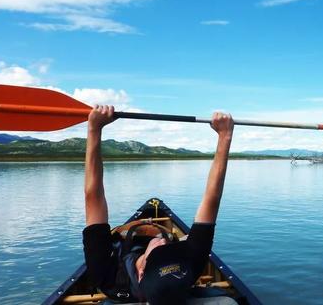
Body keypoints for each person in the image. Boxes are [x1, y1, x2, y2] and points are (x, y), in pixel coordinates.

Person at [82, 105, 234, 304]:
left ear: (142, 271)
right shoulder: (189, 263)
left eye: (161, 250)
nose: (163, 240)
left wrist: (94, 129)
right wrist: (225, 137)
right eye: (170, 248)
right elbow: (212, 198)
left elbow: (93, 196)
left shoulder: (106, 276)